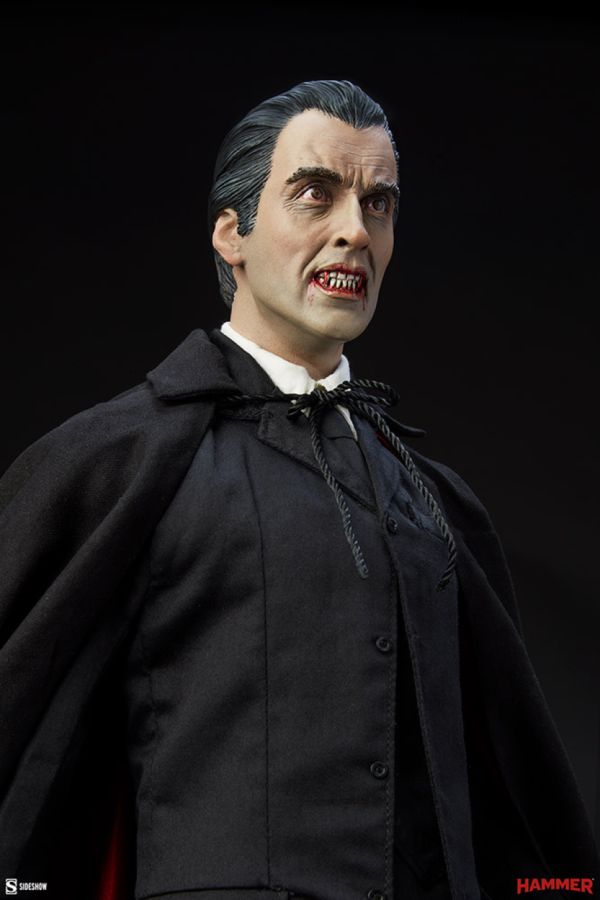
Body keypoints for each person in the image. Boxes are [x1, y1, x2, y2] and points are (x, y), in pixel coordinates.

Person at [0, 79, 597, 900]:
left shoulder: (434, 502)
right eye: (316, 193)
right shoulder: (115, 462)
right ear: (232, 234)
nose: (355, 230)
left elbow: (508, 782)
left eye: (378, 204)